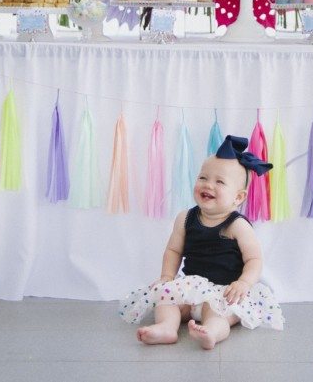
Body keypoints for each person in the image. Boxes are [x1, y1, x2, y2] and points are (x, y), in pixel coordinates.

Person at [119, 135, 284, 349]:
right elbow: (173, 250)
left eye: (220, 181)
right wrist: (167, 277)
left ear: (238, 197)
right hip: (191, 286)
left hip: (225, 290)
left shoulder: (237, 225)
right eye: (203, 177)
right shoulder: (185, 218)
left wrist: (243, 283)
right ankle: (167, 327)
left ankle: (212, 333)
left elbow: (254, 259)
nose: (208, 185)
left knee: (219, 314)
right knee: (166, 299)